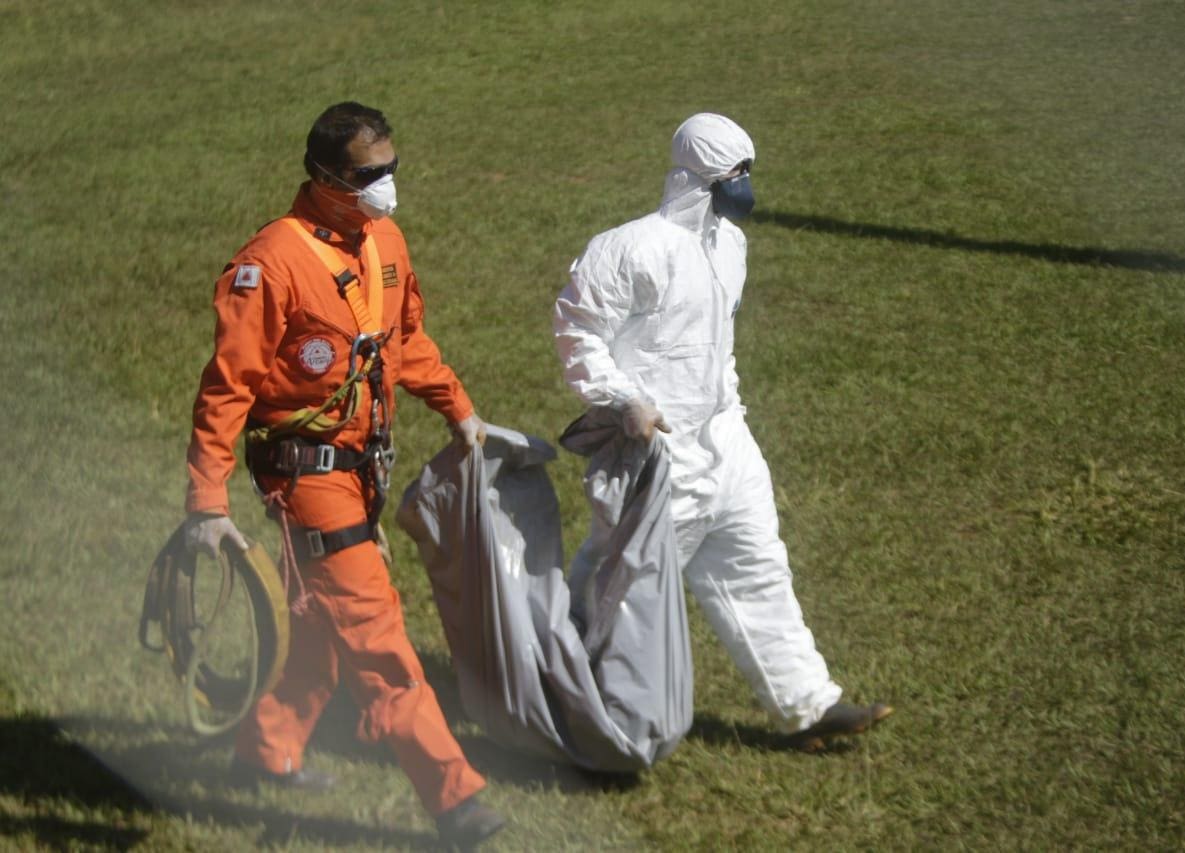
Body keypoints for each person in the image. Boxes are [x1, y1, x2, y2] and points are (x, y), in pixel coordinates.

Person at [182, 102, 503, 847]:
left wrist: (458, 407)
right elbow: (226, 389)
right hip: (307, 478)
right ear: (323, 176)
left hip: (362, 469)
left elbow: (401, 342)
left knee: (315, 628)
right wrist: (205, 501)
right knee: (376, 636)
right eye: (367, 175)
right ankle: (456, 799)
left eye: (390, 169)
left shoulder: (384, 240)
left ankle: (264, 751)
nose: (385, 187)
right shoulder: (272, 265)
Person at [553, 113, 892, 745]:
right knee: (622, 594)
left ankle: (806, 708)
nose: (746, 184)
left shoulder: (730, 245)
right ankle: (575, 705)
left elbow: (717, 345)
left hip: (725, 439)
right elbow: (579, 337)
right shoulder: (626, 248)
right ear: (701, 175)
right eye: (736, 172)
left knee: (758, 564)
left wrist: (730, 415)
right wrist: (625, 399)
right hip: (654, 452)